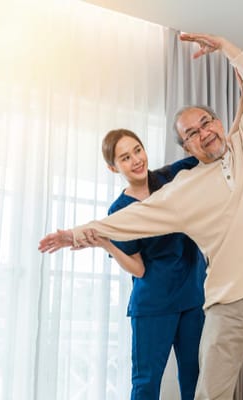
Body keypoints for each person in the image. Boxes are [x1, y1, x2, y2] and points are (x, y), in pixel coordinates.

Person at [39, 33, 243, 399]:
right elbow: (133, 218)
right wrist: (78, 233)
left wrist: (229, 50)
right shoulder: (182, 188)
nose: (203, 133)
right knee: (207, 389)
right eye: (192, 134)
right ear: (186, 147)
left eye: (206, 122)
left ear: (219, 122)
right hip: (224, 300)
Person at [84, 128, 206, 400]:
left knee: (196, 379)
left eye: (138, 150)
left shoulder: (169, 178)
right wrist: (107, 244)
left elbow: (206, 157)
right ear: (113, 167)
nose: (136, 160)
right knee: (146, 384)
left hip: (193, 297)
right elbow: (138, 268)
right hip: (154, 304)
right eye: (125, 158)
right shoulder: (119, 210)